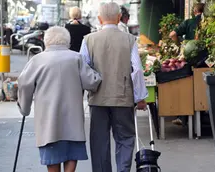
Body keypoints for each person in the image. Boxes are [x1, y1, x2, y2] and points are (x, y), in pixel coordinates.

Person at [17, 26, 102, 172]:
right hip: (72, 119)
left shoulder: (37, 60)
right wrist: (99, 75)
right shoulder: (76, 58)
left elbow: (24, 83)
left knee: (52, 156)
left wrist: (24, 108)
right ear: (67, 41)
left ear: (46, 41)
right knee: (71, 153)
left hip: (49, 120)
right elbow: (91, 82)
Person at [80, 2, 148, 172]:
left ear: (99, 18)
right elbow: (137, 69)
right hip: (123, 98)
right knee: (125, 138)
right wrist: (140, 97)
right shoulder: (129, 39)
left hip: (98, 99)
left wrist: (92, 86)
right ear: (119, 18)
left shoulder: (88, 40)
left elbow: (83, 69)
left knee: (99, 142)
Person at [169, 3, 205, 126]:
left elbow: (172, 34)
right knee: (203, 89)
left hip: (191, 60)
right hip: (207, 60)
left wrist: (180, 45)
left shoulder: (189, 22)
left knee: (187, 88)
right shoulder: (209, 22)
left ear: (194, 11)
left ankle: (184, 117)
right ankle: (204, 115)